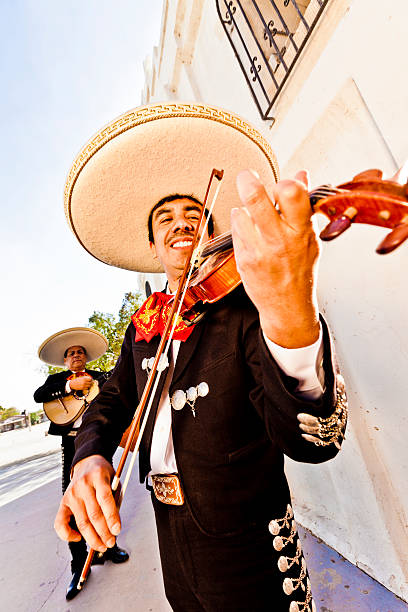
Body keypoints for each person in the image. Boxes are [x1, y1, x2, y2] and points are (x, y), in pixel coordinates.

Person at [54, 103, 347, 611]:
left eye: (195, 215)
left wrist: (288, 308)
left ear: (213, 236)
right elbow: (111, 402)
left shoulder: (247, 308)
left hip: (248, 544)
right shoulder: (144, 327)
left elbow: (314, 443)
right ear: (153, 243)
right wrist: (89, 458)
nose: (180, 223)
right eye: (165, 219)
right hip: (174, 539)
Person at [34, 327, 129, 601]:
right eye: (71, 353)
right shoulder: (57, 380)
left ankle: (108, 548)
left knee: (105, 494)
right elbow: (39, 396)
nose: (76, 355)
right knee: (73, 503)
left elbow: (119, 385)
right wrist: (68, 387)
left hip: (99, 444)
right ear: (65, 361)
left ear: (85, 358)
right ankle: (78, 565)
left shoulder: (99, 377)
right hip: (71, 446)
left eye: (80, 352)